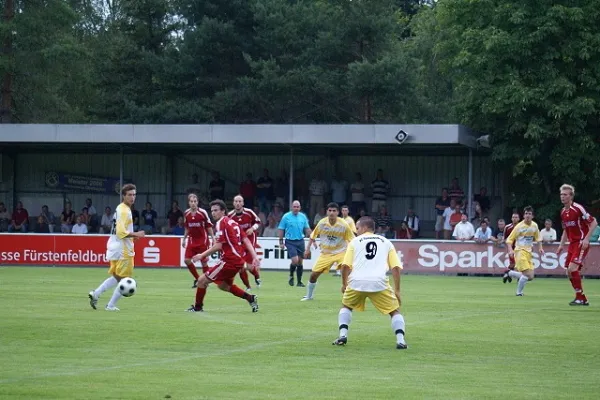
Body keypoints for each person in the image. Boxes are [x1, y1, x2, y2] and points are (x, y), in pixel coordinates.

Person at [332, 216, 407, 349]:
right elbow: (395, 268)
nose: (356, 230)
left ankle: (343, 335)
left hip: (356, 282)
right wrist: (397, 290)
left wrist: (344, 284)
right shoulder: (386, 242)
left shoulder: (354, 242)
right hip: (379, 282)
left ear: (365, 228)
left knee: (346, 306)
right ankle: (401, 341)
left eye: (358, 227)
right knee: (395, 311)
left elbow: (345, 266)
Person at [189, 200, 260, 313]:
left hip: (229, 261)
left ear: (223, 211)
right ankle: (250, 298)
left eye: (216, 210)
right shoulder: (233, 222)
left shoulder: (221, 223)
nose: (213, 213)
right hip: (237, 261)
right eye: (212, 211)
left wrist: (201, 255)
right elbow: (245, 239)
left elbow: (219, 245)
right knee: (223, 286)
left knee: (201, 281)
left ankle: (197, 308)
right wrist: (255, 256)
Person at [88, 184, 145, 311]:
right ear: (123, 196)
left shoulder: (120, 208)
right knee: (126, 279)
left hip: (114, 246)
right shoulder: (125, 210)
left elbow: (120, 231)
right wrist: (136, 233)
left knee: (116, 277)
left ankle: (96, 294)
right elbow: (120, 232)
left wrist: (132, 236)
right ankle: (111, 305)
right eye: (129, 195)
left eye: (134, 195)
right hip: (123, 249)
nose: (132, 197)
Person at [302, 202, 354, 301]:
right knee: (313, 275)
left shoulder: (344, 225)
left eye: (334, 211)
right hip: (325, 254)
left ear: (338, 212)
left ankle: (349, 294)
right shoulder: (322, 223)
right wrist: (307, 249)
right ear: (327, 212)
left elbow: (352, 240)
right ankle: (309, 296)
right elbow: (313, 236)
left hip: (341, 252)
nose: (331, 213)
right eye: (330, 210)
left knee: (346, 270)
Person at [556, 184, 598, 306]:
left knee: (572, 269)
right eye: (561, 195)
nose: (562, 197)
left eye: (565, 194)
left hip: (580, 242)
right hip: (572, 244)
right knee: (568, 272)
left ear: (571, 196)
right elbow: (565, 229)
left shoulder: (578, 208)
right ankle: (581, 297)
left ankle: (580, 298)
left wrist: (586, 239)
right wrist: (561, 245)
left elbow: (593, 222)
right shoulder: (563, 212)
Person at [504, 206, 544, 296]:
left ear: (532, 216)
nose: (527, 215)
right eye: (526, 214)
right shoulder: (519, 226)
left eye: (529, 214)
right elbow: (509, 240)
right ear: (523, 215)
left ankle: (510, 273)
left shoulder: (534, 225)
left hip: (529, 253)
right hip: (520, 251)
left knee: (530, 277)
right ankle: (519, 293)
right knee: (527, 275)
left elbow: (538, 238)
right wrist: (510, 250)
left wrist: (540, 248)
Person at [228, 195, 262, 290]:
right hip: (238, 243)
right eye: (236, 201)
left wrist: (252, 228)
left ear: (243, 203)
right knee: (240, 266)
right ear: (233, 203)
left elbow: (258, 222)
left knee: (250, 267)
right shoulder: (230, 216)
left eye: (240, 201)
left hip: (250, 240)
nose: (238, 203)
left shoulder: (249, 212)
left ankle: (257, 276)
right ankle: (248, 287)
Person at [182, 193, 214, 289]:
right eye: (191, 201)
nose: (193, 203)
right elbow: (187, 227)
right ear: (189, 202)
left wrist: (213, 238)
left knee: (204, 262)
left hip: (202, 241)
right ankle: (198, 279)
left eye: (195, 201)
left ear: (197, 202)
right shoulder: (186, 214)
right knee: (187, 260)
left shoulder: (202, 213)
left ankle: (206, 281)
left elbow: (208, 226)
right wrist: (184, 239)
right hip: (192, 241)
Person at [278, 200, 311, 287]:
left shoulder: (303, 217)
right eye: (294, 207)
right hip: (290, 241)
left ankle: (299, 282)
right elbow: (281, 229)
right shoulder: (286, 217)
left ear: (300, 208)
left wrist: (313, 238)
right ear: (292, 207)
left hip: (300, 241)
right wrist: (281, 242)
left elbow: (307, 228)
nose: (296, 208)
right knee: (295, 260)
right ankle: (291, 275)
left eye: (298, 207)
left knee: (300, 262)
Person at [335, 205, 357, 276]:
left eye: (346, 210)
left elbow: (354, 231)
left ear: (348, 211)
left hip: (348, 241)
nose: (344, 212)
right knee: (339, 255)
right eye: (343, 210)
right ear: (341, 211)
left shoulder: (350, 220)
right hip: (341, 241)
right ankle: (339, 271)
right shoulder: (340, 220)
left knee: (347, 256)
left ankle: (349, 270)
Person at [501, 212, 521, 283]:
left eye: (516, 217)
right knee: (513, 264)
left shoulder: (522, 226)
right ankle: (507, 273)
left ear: (519, 218)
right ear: (511, 218)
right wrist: (507, 242)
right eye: (513, 217)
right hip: (511, 249)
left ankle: (509, 275)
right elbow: (505, 238)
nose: (514, 219)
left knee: (520, 264)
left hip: (521, 249)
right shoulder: (507, 227)